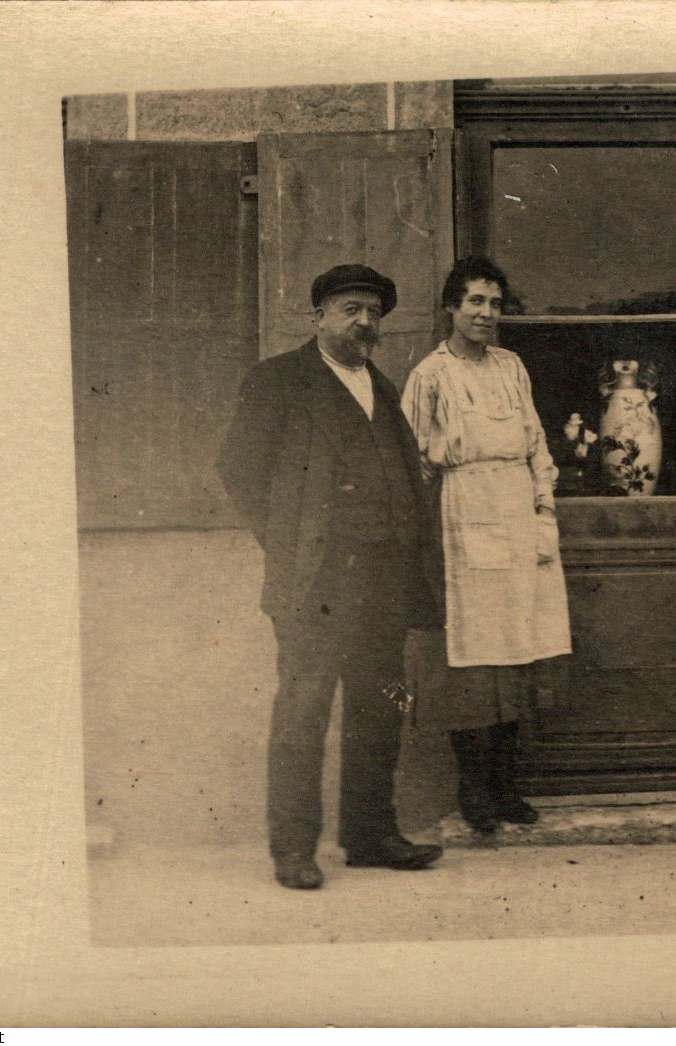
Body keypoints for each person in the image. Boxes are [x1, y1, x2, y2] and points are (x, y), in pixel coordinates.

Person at [216, 264, 444, 890]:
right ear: (318, 316)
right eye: (350, 309)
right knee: (305, 708)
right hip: (314, 584)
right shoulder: (279, 382)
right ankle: (292, 849)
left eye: (373, 312)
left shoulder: (383, 387)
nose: (364, 322)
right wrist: (288, 548)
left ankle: (369, 836)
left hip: (384, 579)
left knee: (381, 704)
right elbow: (239, 470)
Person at [402, 256, 572, 834]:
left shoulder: (511, 367)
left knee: (517, 652)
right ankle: (473, 789)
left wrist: (543, 512)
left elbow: (537, 448)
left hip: (518, 516)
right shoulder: (431, 374)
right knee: (473, 662)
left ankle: (506, 786)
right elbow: (410, 462)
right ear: (452, 306)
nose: (485, 313)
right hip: (463, 517)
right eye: (474, 301)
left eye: (495, 304)